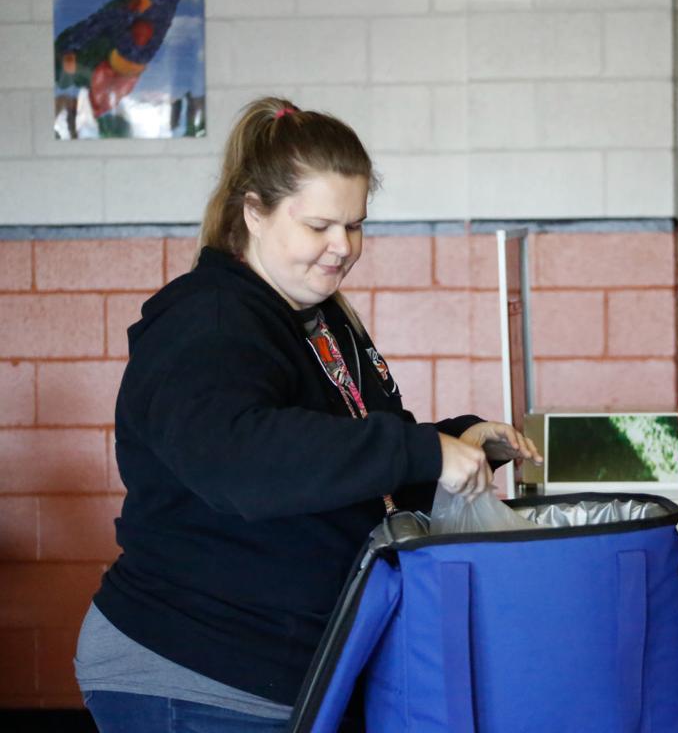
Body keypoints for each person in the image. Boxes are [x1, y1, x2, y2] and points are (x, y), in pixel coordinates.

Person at [74, 97, 541, 732]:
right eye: (319, 226)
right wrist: (419, 451)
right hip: (196, 673)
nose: (342, 247)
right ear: (254, 213)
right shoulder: (206, 321)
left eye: (355, 225)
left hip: (297, 667)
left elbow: (341, 461)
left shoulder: (318, 319)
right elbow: (244, 461)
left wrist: (456, 442)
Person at [54, 0, 191, 137]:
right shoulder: (118, 12)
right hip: (110, 67)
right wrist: (69, 50)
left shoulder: (162, 9)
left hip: (131, 75)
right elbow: (89, 27)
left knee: (104, 112)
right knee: (94, 108)